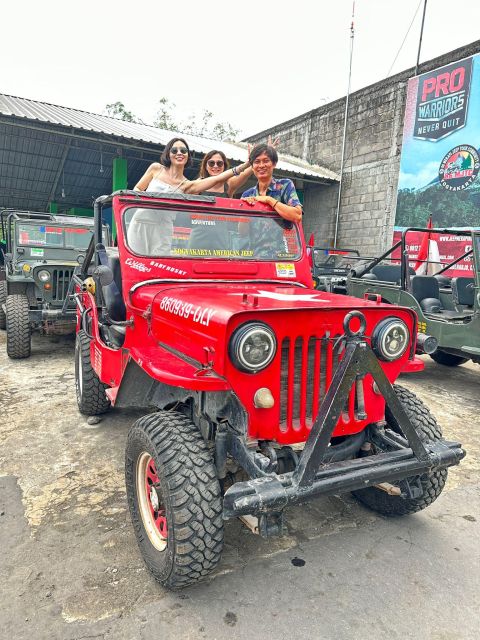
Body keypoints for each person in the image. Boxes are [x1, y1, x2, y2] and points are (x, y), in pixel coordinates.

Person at [128, 138, 250, 255]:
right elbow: (137, 189)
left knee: (158, 266)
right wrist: (143, 203)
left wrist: (247, 164)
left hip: (163, 229)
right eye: (174, 150)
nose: (179, 153)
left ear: (188, 156)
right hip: (141, 222)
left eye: (183, 150)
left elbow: (218, 178)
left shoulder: (187, 185)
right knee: (135, 264)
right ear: (168, 154)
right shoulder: (156, 169)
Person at [241, 144, 302, 258]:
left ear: (274, 164)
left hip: (283, 257)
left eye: (266, 161)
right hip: (255, 257)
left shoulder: (284, 185)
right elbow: (242, 232)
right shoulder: (247, 194)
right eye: (257, 162)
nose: (261, 165)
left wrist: (269, 200)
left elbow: (297, 215)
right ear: (252, 166)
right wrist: (245, 210)